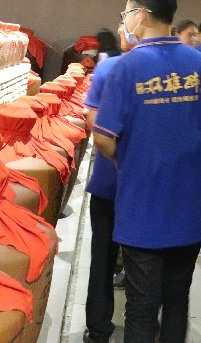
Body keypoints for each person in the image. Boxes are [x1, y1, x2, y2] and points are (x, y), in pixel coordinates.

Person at [92, 0, 201, 343]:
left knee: (141, 309)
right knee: (176, 301)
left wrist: (127, 160)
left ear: (140, 15)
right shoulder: (200, 64)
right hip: (190, 205)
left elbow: (103, 137)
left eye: (127, 12)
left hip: (142, 205)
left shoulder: (125, 68)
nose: (125, 20)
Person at [83, 25, 136, 343]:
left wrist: (116, 158)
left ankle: (99, 328)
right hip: (143, 186)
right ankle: (142, 328)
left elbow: (92, 119)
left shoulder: (108, 68)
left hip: (109, 180)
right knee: (143, 263)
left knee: (102, 258)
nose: (121, 27)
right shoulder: (173, 72)